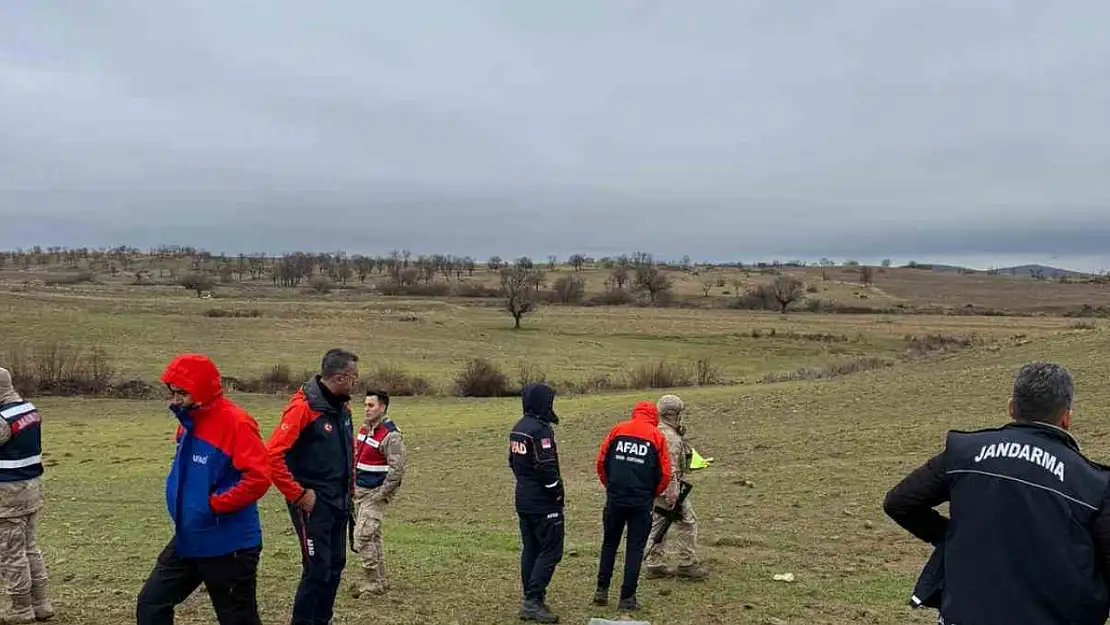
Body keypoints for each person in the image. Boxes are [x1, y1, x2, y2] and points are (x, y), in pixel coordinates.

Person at [883, 362, 1110, 625]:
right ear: (1066, 418)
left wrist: (955, 537)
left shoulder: (965, 452)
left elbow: (900, 502)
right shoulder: (1093, 483)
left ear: (1012, 407)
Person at [136, 354, 272, 625]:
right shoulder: (189, 421)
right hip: (190, 537)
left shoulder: (237, 423)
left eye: (182, 392)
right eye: (173, 392)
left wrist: (213, 505)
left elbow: (258, 477)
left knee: (237, 619)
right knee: (151, 603)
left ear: (202, 390)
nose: (176, 400)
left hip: (229, 546)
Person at [266, 349, 358, 625]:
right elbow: (272, 456)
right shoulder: (303, 408)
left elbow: (346, 452)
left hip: (339, 502)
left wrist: (349, 489)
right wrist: (298, 494)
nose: (356, 383)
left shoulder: (343, 409)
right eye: (354, 377)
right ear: (341, 377)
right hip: (313, 504)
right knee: (317, 569)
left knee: (335, 566)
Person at [592, 401, 672, 611]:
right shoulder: (656, 436)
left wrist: (610, 486)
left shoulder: (617, 430)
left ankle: (601, 590)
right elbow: (665, 473)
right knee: (635, 548)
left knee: (609, 543)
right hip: (641, 501)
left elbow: (601, 462)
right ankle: (627, 598)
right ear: (653, 416)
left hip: (615, 498)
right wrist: (652, 493)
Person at [0, 367, 53, 623]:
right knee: (29, 548)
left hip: (7, 495)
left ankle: (20, 608)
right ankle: (41, 603)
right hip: (31, 489)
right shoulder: (28, 410)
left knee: (11, 552)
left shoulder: (3, 420)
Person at [508, 383, 564, 623]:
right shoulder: (541, 431)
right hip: (543, 501)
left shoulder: (518, 428)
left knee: (530, 548)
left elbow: (513, 461)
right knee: (551, 549)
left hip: (523, 497)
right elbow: (546, 466)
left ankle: (532, 597)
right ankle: (532, 600)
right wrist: (556, 491)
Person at [644, 394, 708, 580]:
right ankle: (687, 563)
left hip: (656, 487)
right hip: (669, 488)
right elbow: (670, 467)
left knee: (658, 523)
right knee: (687, 522)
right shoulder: (669, 437)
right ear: (673, 414)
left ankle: (654, 564)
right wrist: (672, 493)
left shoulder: (658, 430)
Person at [351, 389, 406, 597]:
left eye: (371, 405)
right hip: (360, 491)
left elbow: (397, 470)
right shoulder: (365, 429)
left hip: (376, 493)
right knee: (372, 535)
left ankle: (372, 582)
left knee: (363, 536)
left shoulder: (391, 435)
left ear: (382, 407)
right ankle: (381, 580)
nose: (366, 409)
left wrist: (381, 494)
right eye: (365, 405)